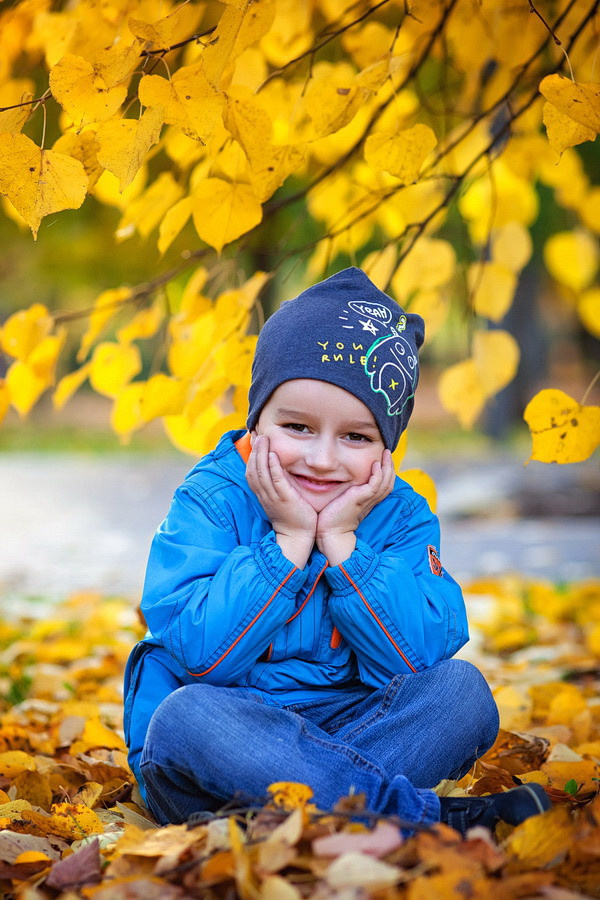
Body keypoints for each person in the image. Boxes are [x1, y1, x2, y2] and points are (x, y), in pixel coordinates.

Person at [123, 267, 550, 836]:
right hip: (228, 741)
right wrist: (287, 544)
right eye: (298, 427)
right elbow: (200, 656)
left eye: (355, 437)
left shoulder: (401, 516)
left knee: (462, 693)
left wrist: (347, 552)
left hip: (353, 728)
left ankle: (310, 815)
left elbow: (413, 662)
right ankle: (418, 818)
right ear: (257, 420)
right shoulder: (213, 498)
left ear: (386, 446)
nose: (322, 460)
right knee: (185, 718)